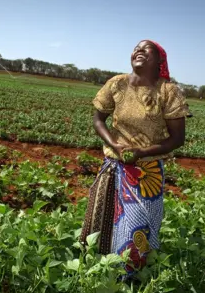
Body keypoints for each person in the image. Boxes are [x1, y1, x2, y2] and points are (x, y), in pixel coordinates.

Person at [79, 40, 191, 278]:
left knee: (137, 228)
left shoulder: (168, 92)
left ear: (158, 61)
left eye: (146, 49)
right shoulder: (116, 84)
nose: (138, 50)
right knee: (103, 223)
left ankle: (130, 280)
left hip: (146, 173)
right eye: (136, 48)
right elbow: (98, 119)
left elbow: (177, 138)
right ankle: (100, 272)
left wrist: (142, 152)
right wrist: (114, 144)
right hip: (114, 166)